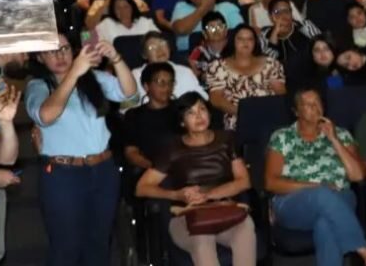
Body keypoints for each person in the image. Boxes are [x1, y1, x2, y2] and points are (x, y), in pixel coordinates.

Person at [26, 38, 139, 266]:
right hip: (63, 173)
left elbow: (129, 93)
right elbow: (46, 115)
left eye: (65, 48)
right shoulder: (38, 85)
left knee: (99, 243)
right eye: (51, 51)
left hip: (103, 169)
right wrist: (74, 74)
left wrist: (115, 58)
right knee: (66, 246)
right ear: (39, 57)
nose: (60, 55)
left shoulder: (93, 79)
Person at [265, 88, 366, 266]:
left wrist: (334, 139)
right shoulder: (282, 137)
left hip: (341, 198)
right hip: (293, 203)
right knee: (322, 194)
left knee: (326, 224)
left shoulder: (341, 134)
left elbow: (358, 176)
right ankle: (364, 251)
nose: (315, 107)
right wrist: (315, 186)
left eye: (317, 102)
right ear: (296, 111)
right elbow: (271, 182)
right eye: (307, 104)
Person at [135, 93, 257, 266]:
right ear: (182, 122)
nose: (199, 116)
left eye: (202, 109)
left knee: (246, 226)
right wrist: (177, 195)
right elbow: (142, 187)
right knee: (201, 237)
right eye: (191, 113)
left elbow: (243, 181)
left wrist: (209, 195)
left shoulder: (227, 139)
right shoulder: (172, 149)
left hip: (224, 211)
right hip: (186, 216)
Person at [205, 25, 286, 130]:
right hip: (236, 118)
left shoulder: (271, 63)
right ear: (233, 41)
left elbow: (280, 93)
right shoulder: (218, 66)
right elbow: (216, 99)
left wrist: (267, 112)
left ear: (255, 42)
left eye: (250, 39)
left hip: (269, 116)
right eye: (240, 39)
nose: (245, 42)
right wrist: (243, 113)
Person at [122, 62, 183, 171]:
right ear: (146, 86)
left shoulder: (182, 109)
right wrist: (156, 168)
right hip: (150, 171)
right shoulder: (134, 115)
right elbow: (131, 153)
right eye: (160, 82)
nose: (166, 87)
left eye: (170, 82)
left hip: (183, 167)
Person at [93, 0, 160, 45]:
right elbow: (86, 35)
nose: (123, 10)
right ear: (113, 11)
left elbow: (160, 40)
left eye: (126, 7)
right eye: (118, 8)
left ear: (132, 8)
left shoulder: (145, 22)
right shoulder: (107, 23)